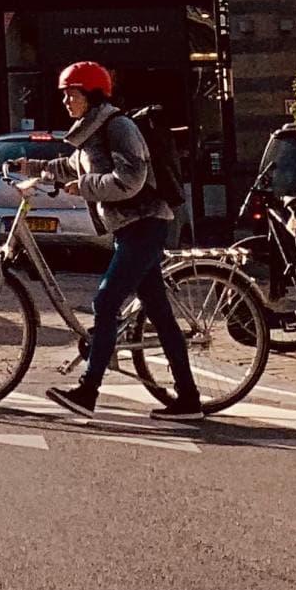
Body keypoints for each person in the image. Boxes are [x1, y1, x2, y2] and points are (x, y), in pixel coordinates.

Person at [41, 59, 202, 423]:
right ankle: (189, 399)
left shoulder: (119, 126)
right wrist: (27, 167)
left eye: (72, 93)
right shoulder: (90, 131)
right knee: (160, 316)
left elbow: (130, 179)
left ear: (92, 94)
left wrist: (82, 187)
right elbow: (71, 167)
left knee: (106, 301)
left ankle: (88, 390)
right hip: (129, 228)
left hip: (146, 224)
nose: (66, 101)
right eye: (65, 94)